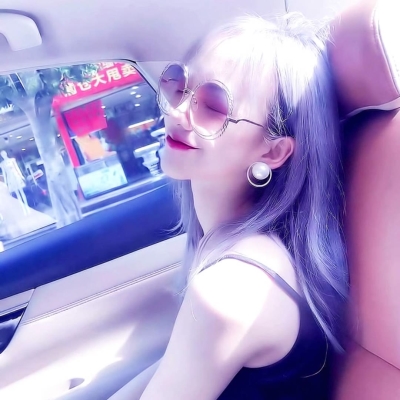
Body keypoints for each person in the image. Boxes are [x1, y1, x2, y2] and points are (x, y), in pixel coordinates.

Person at [109, 12, 348, 400]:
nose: (177, 111)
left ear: (273, 151)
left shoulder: (229, 289)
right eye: (178, 84)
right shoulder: (239, 249)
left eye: (214, 105)